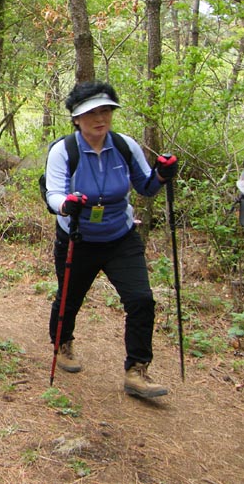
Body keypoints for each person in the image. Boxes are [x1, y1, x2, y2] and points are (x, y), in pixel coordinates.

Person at [43, 81, 178, 399]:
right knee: (69, 299)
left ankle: (137, 370)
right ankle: (62, 343)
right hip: (78, 237)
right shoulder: (64, 151)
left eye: (105, 110)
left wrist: (161, 174)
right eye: (91, 112)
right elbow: (53, 193)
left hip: (121, 236)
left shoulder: (124, 145)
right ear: (76, 118)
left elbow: (145, 186)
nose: (99, 118)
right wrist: (66, 204)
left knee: (141, 300)